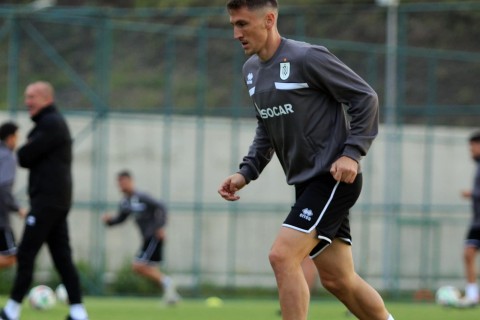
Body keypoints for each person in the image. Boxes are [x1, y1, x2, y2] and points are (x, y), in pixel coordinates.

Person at [218, 1, 394, 319]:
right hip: (306, 184)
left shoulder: (307, 57)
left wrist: (351, 153)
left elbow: (364, 97)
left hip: (333, 178)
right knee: (338, 280)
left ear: (269, 19)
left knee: (282, 256)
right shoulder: (251, 71)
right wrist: (246, 172)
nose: (235, 33)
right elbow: (266, 126)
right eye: (233, 24)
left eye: (242, 24)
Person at [0, 81, 88, 320]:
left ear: (47, 99)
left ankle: (11, 311)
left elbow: (24, 156)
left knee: (26, 254)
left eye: (32, 97)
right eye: (26, 97)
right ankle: (79, 312)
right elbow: (28, 156)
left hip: (46, 203)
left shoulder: (50, 123)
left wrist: (26, 148)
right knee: (62, 258)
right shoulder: (49, 124)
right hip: (56, 202)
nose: (27, 101)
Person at [102, 170, 180, 305]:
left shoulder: (142, 196)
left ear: (131, 181)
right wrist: (109, 221)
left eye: (123, 181)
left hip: (153, 235)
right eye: (119, 182)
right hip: (146, 238)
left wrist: (160, 227)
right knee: (148, 268)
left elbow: (161, 206)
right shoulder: (125, 202)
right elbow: (121, 218)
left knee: (138, 266)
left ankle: (167, 283)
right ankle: (171, 294)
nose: (121, 185)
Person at [0, 121, 26, 269]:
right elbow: (3, 188)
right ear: (10, 138)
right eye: (17, 137)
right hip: (1, 219)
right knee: (11, 256)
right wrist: (17, 208)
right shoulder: (8, 157)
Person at [460, 130, 480, 306]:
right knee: (468, 253)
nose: (471, 150)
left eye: (473, 146)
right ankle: (473, 294)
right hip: (477, 221)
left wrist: (473, 193)